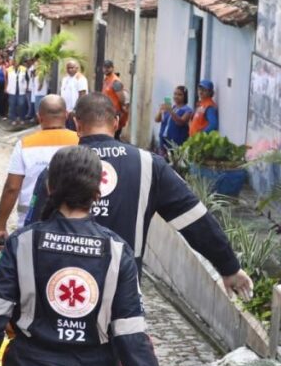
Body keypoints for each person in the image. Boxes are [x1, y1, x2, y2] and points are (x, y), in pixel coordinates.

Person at [0, 146, 166, 366]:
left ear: (50, 187)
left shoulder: (22, 243)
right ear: (97, 193)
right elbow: (130, 332)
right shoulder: (117, 251)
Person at [25, 94, 253, 298]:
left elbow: (32, 230)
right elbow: (194, 219)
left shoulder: (59, 166)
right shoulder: (149, 165)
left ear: (77, 124)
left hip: (60, 287)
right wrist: (229, 267)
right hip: (122, 292)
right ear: (115, 123)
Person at [0, 95, 79, 249]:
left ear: (39, 117)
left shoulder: (25, 144)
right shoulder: (79, 142)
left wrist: (1, 226)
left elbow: (12, 188)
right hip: (71, 223)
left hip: (30, 222)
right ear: (66, 115)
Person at [155, 85, 192, 155]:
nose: (176, 96)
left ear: (185, 96)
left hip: (176, 143)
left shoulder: (187, 110)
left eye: (179, 94)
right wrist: (161, 111)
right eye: (175, 94)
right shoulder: (172, 108)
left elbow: (180, 122)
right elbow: (157, 119)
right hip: (164, 141)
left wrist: (171, 111)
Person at [102, 61, 129, 139]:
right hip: (107, 112)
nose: (106, 69)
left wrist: (121, 112)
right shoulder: (107, 79)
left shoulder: (115, 81)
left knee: (114, 135)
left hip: (115, 113)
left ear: (112, 68)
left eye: (108, 67)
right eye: (105, 67)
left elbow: (122, 99)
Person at [60, 60, 89, 130]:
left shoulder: (81, 78)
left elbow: (82, 95)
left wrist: (75, 110)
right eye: (68, 68)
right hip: (66, 111)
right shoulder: (65, 79)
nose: (70, 69)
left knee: (74, 132)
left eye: (72, 67)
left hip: (75, 112)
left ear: (77, 68)